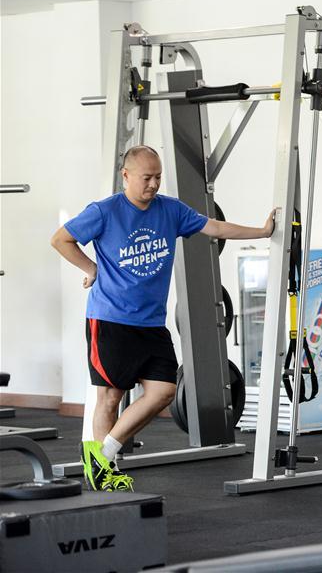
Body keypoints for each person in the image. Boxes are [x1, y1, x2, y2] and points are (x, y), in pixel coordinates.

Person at [50, 145, 275, 492]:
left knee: (163, 392)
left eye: (157, 177)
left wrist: (261, 233)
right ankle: (103, 474)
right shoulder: (104, 211)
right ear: (126, 176)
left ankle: (101, 455)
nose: (153, 184)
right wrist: (91, 268)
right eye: (146, 178)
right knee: (109, 396)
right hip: (110, 319)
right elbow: (61, 239)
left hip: (151, 324)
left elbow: (213, 226)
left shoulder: (169, 210)